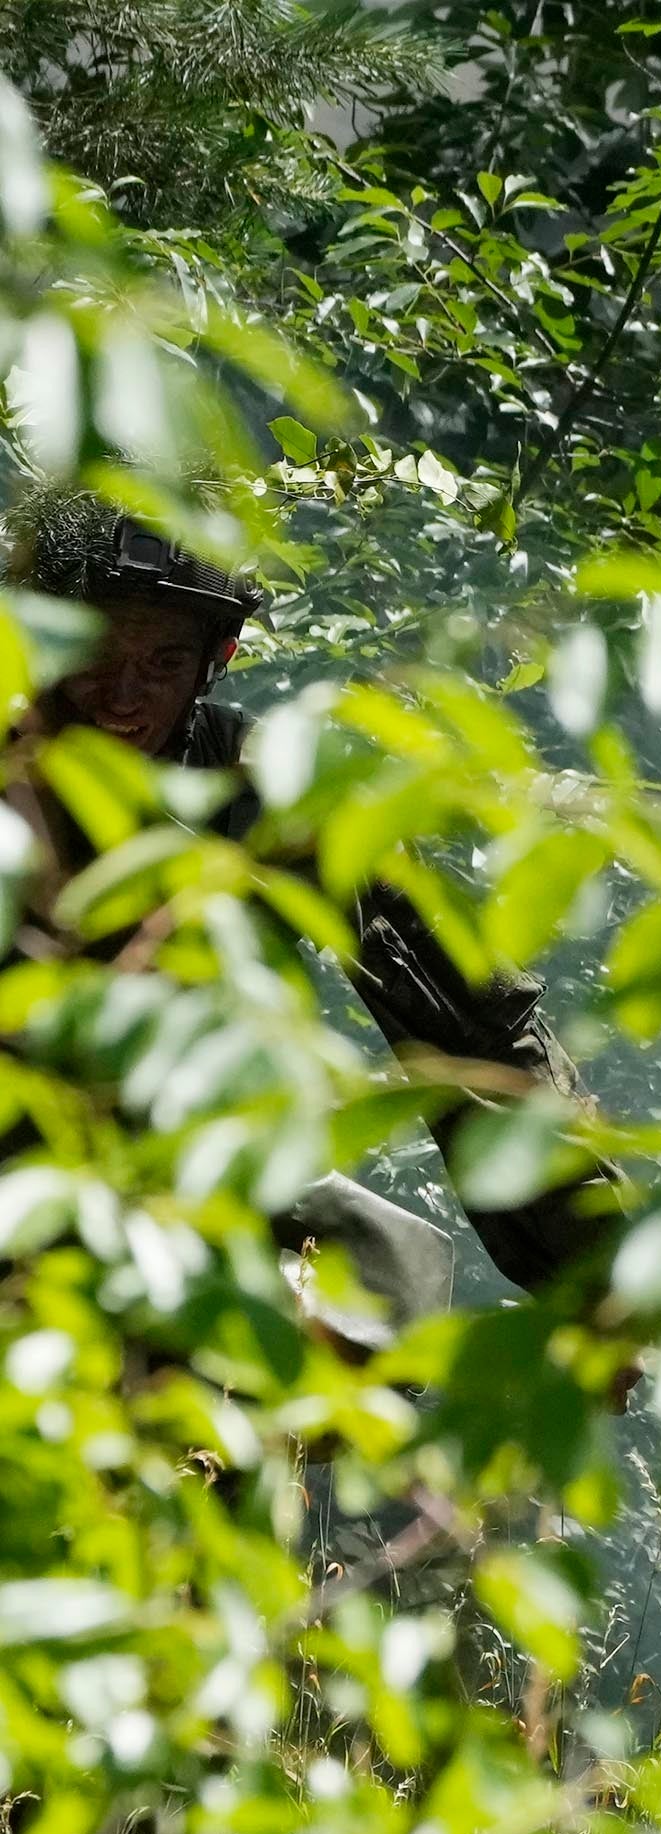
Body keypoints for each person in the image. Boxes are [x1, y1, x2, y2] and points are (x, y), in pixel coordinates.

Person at [5, 497, 617, 1349]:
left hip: (174, 1172)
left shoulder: (271, 797)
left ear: (210, 665)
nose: (123, 694)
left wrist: (602, 1279)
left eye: (162, 660)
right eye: (96, 653)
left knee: (384, 1275)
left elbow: (468, 1027)